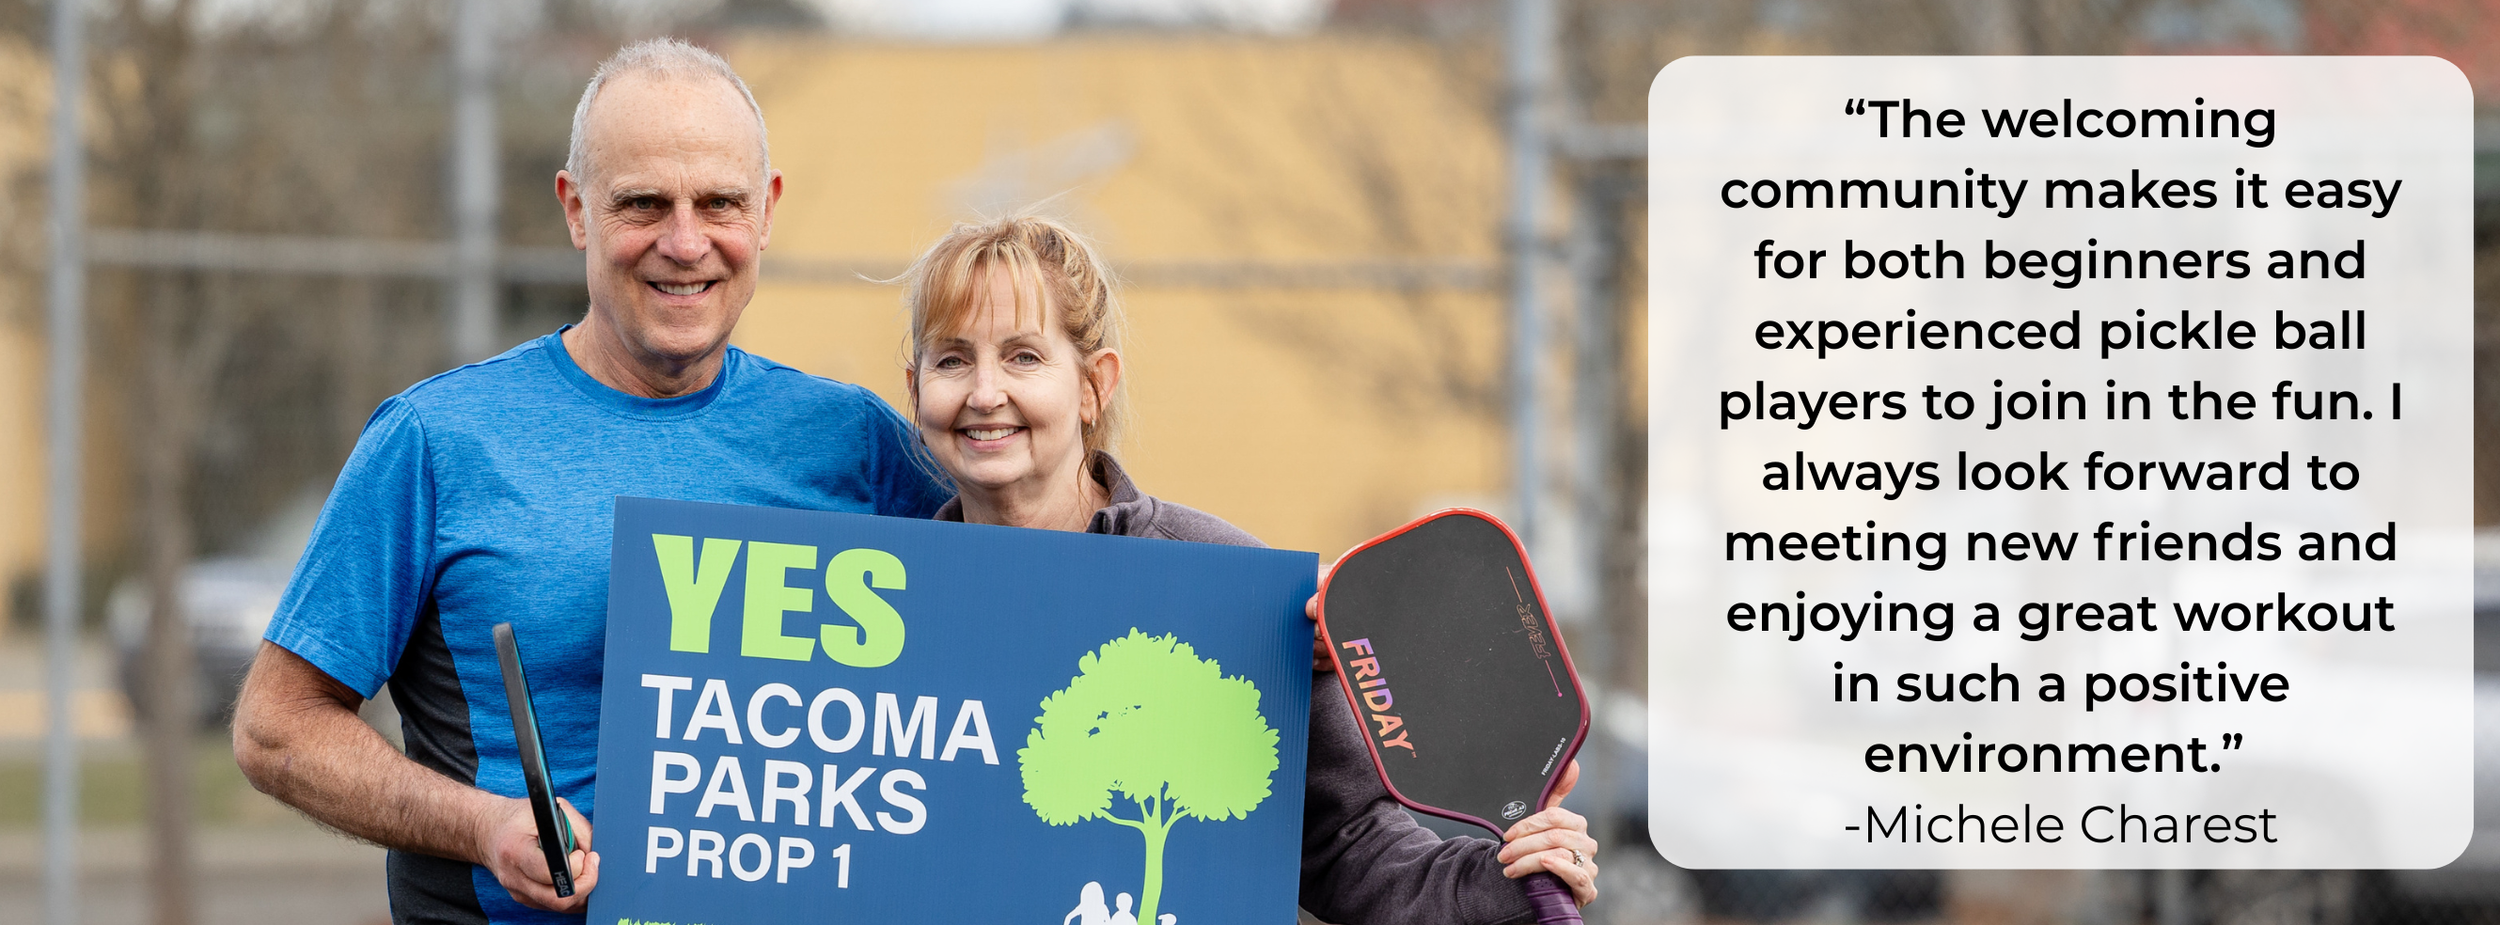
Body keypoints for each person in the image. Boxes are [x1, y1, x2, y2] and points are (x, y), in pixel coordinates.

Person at [230, 39, 947, 925]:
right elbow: (276, 726)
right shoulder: (437, 442)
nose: (685, 242)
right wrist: (485, 826)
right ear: (577, 211)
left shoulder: (859, 444)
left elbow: (1011, 632)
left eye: (719, 202)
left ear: (765, 211)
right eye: (642, 204)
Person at [900, 215, 1600, 923]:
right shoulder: (888, 603)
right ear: (915, 386)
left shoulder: (1227, 583)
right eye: (953, 359)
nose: (984, 392)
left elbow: (1347, 842)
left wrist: (1507, 881)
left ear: (1093, 385)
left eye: (1023, 357)